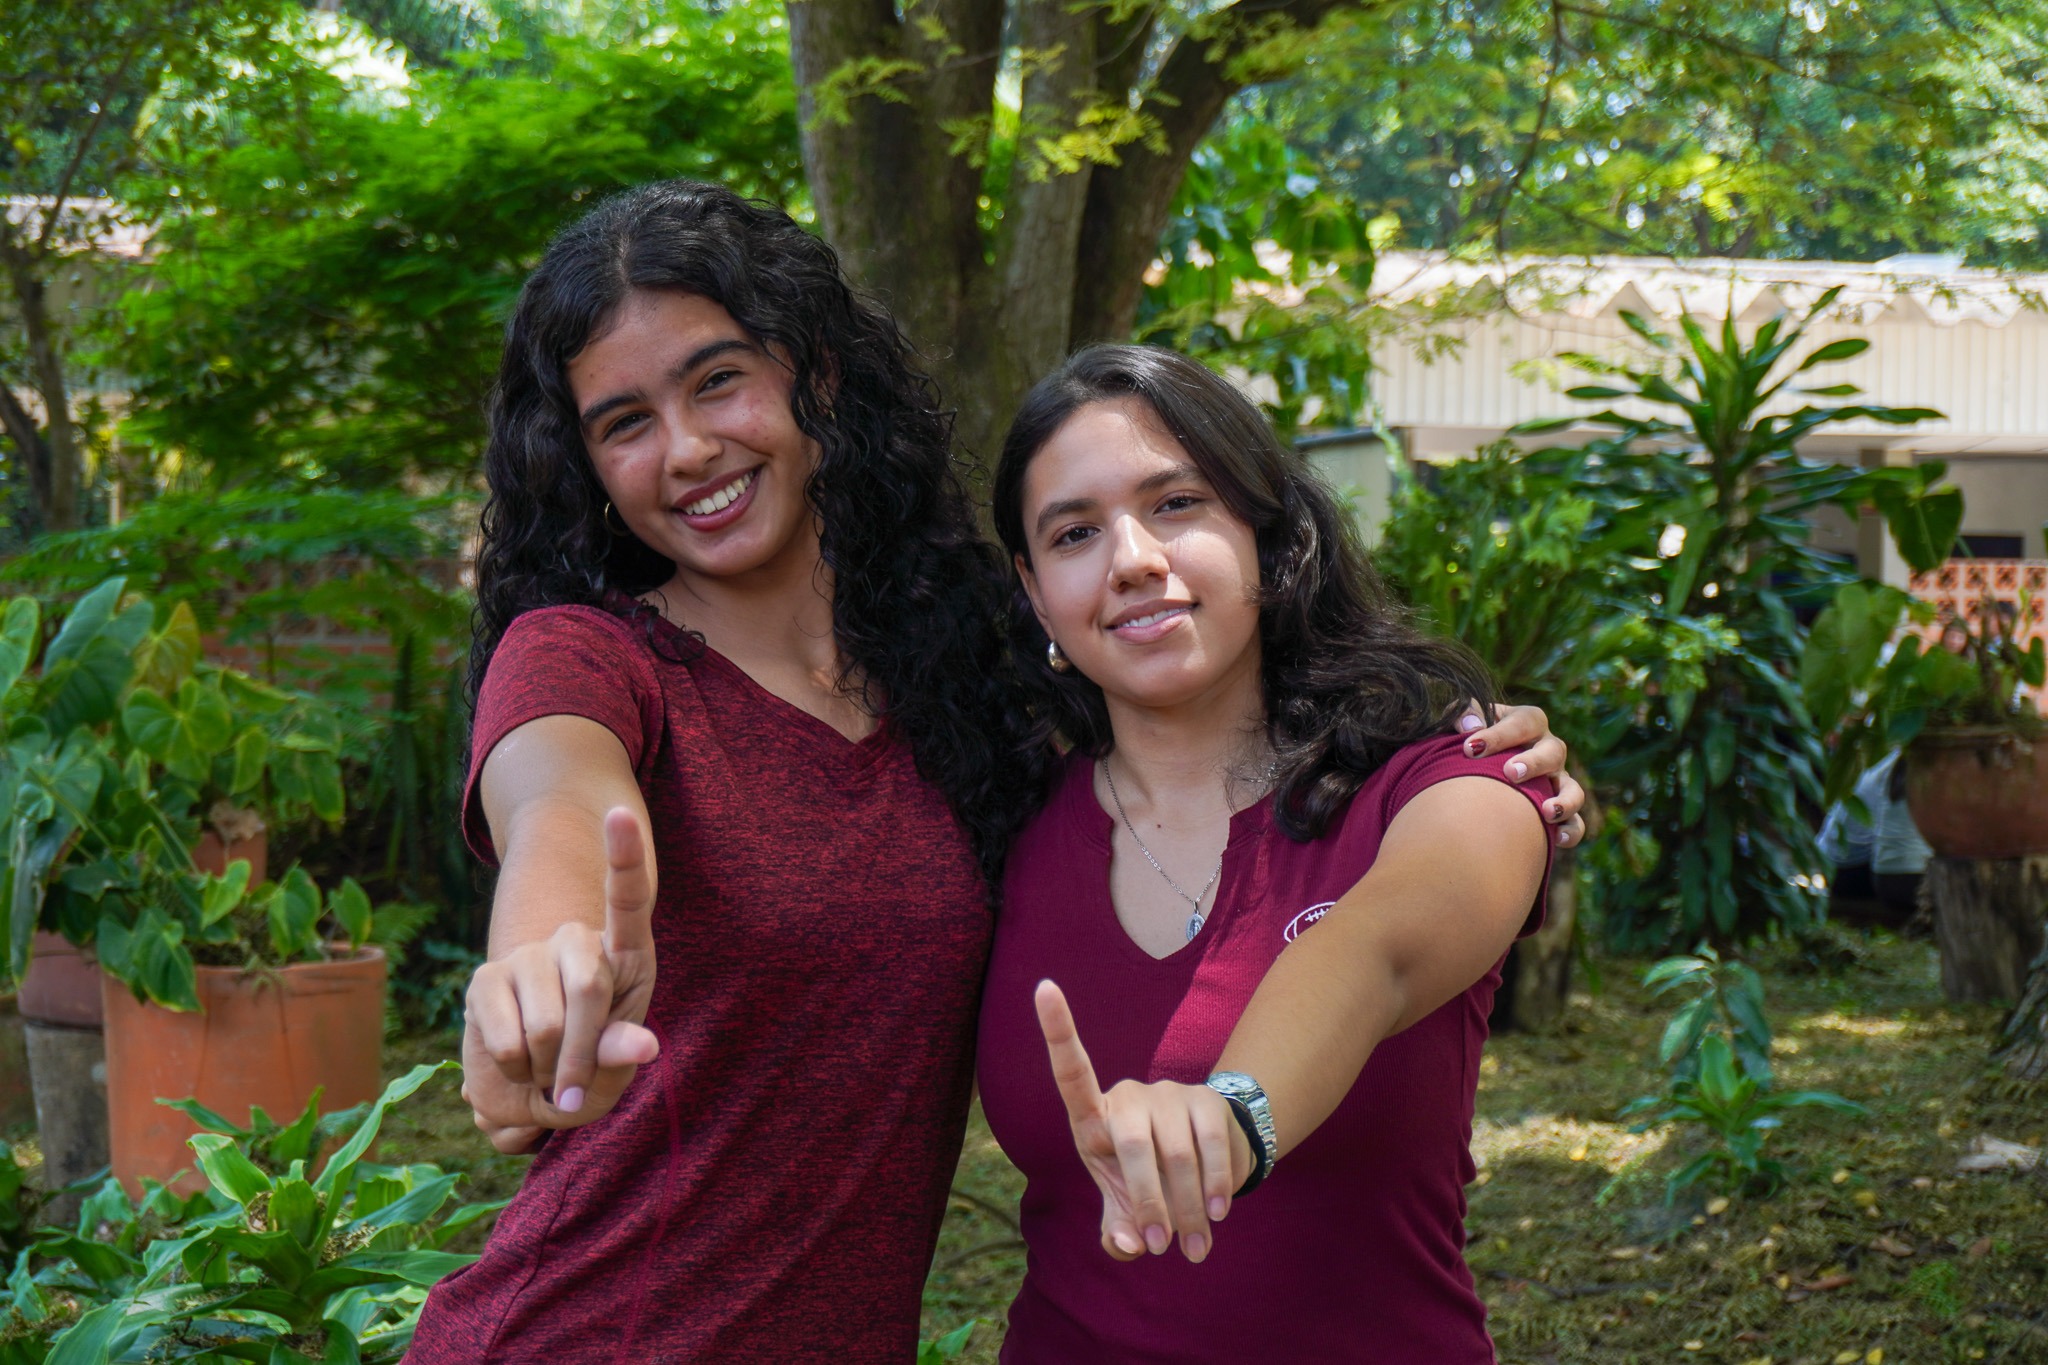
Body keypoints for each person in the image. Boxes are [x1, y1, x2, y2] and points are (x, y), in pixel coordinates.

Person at [410, 181, 1584, 1361]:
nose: (687, 447)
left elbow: (1327, 892)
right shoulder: (586, 655)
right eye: (623, 422)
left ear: (814, 373)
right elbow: (557, 798)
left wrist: (1491, 776)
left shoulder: (968, 695)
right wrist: (538, 965)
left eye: (719, 378)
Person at [975, 345, 1555, 1363]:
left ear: (1267, 532)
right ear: (1033, 593)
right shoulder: (996, 830)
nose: (1130, 559)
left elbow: (1367, 955)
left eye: (1174, 505)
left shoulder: (1453, 785)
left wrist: (1229, 1119)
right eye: (1073, 532)